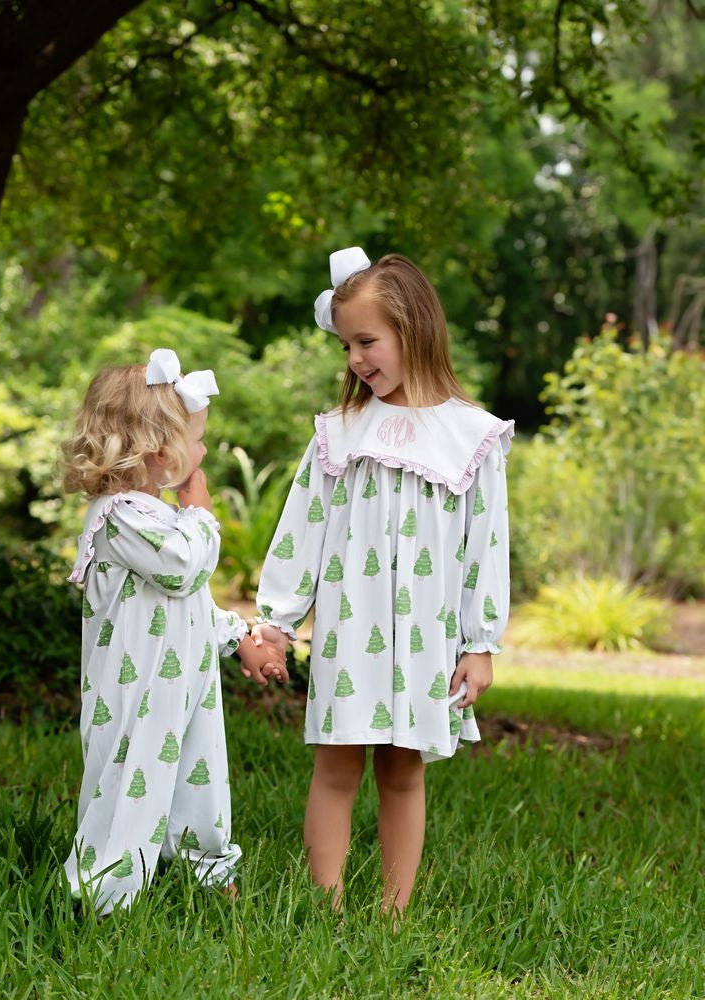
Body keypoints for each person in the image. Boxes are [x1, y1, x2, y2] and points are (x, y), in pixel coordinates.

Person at [253, 248, 513, 912]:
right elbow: (300, 530)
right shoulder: (339, 436)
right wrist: (277, 622)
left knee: (403, 771)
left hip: (427, 639)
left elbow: (485, 544)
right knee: (337, 766)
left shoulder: (471, 438)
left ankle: (395, 913)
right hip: (350, 631)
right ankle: (326, 908)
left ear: (414, 328)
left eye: (367, 341)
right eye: (346, 345)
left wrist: (480, 642)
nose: (355, 359)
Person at [60, 348, 286, 914]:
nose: (204, 452)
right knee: (128, 787)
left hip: (184, 685)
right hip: (133, 694)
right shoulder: (119, 517)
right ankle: (103, 893)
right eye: (199, 440)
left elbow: (191, 604)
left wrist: (240, 642)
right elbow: (183, 569)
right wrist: (202, 513)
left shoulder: (160, 517)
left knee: (200, 781)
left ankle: (206, 871)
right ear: (160, 452)